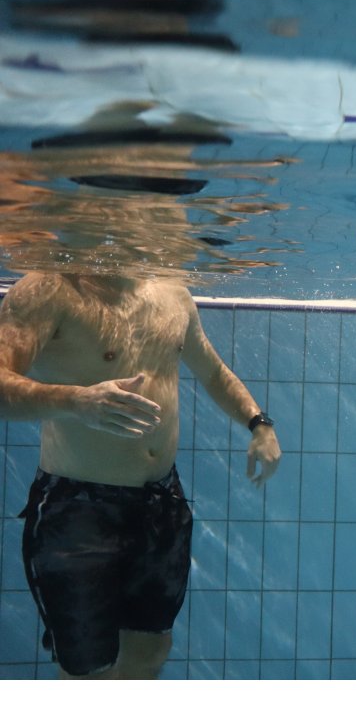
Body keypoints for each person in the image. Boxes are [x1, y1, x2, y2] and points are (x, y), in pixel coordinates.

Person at [0, 271, 282, 679]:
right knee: (87, 673)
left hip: (161, 505)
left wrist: (259, 424)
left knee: (149, 653)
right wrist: (77, 401)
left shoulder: (173, 293)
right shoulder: (50, 288)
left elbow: (213, 372)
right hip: (78, 512)